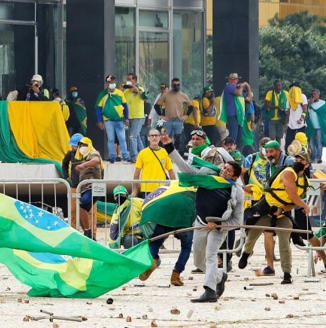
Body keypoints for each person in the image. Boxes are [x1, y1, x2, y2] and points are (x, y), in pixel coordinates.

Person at [157, 135, 244, 302]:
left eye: (228, 171)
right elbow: (186, 168)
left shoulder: (237, 192)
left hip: (218, 227)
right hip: (201, 221)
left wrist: (218, 224)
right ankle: (219, 276)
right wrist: (170, 147)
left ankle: (210, 291)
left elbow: (237, 222)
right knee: (199, 261)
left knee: (211, 255)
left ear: (234, 177)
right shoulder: (208, 175)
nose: (224, 170)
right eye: (224, 167)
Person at [239, 151, 311, 284]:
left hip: (282, 213)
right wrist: (305, 206)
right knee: (252, 233)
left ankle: (287, 273)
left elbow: (294, 202)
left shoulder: (305, 181)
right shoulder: (288, 172)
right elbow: (292, 194)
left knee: (285, 241)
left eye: (301, 161)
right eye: (296, 159)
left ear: (307, 164)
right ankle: (245, 253)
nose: (298, 162)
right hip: (266, 206)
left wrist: (283, 209)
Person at [95, 75, 131, 163]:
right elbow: (98, 108)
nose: (112, 84)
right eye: (110, 82)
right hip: (108, 121)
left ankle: (125, 156)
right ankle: (112, 157)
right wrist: (99, 121)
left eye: (113, 82)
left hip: (119, 120)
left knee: (122, 138)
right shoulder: (102, 94)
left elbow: (125, 106)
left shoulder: (120, 93)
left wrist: (126, 118)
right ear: (106, 83)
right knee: (111, 139)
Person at [132, 128, 175, 198]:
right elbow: (136, 174)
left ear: (160, 137)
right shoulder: (142, 153)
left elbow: (171, 171)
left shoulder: (165, 152)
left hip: (161, 189)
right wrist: (135, 191)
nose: (154, 138)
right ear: (148, 138)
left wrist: (174, 188)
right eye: (152, 136)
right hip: (146, 190)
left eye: (156, 135)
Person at [74, 137, 103, 239]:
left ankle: (88, 232)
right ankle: (88, 233)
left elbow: (96, 160)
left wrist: (83, 165)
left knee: (83, 205)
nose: (82, 147)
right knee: (82, 209)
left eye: (84, 145)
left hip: (94, 187)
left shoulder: (93, 153)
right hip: (87, 188)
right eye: (80, 145)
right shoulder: (83, 157)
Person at [154, 78, 193, 155]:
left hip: (178, 120)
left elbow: (191, 107)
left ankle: (177, 155)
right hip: (168, 120)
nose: (176, 86)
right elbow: (156, 105)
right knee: (166, 138)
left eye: (178, 85)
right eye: (174, 85)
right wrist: (161, 116)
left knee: (179, 138)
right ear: (171, 85)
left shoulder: (183, 95)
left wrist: (186, 116)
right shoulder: (166, 94)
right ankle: (167, 154)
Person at [123, 73, 148, 161]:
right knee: (136, 136)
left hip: (138, 116)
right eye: (128, 79)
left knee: (132, 136)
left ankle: (134, 157)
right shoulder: (125, 91)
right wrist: (125, 117)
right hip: (129, 117)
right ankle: (144, 155)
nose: (129, 81)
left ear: (135, 81)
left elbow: (145, 98)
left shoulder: (140, 89)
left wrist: (136, 90)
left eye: (130, 79)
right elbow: (124, 105)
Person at [62, 133, 84, 228]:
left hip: (86, 186)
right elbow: (64, 164)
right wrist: (66, 175)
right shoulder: (70, 154)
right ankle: (74, 228)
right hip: (74, 186)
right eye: (72, 145)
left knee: (86, 210)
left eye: (74, 145)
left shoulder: (87, 154)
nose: (72, 147)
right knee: (73, 210)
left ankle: (89, 232)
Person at [221, 73, 244, 147]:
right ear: (230, 80)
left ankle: (236, 151)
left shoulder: (234, 88)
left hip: (237, 115)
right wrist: (242, 86)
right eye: (234, 79)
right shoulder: (229, 87)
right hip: (232, 114)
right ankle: (229, 150)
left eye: (236, 79)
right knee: (233, 136)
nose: (236, 81)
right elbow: (239, 93)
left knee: (238, 136)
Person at [285, 82, 308, 151]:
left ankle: (303, 158)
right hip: (291, 125)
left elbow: (305, 109)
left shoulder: (302, 96)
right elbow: (288, 111)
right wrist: (286, 123)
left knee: (301, 143)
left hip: (300, 125)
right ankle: (289, 159)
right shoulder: (289, 98)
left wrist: (301, 119)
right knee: (288, 144)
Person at [307, 89, 324, 163]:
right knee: (311, 143)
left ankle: (319, 158)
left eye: (315, 94)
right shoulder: (309, 102)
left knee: (319, 143)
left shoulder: (323, 103)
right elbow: (305, 112)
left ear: (318, 95)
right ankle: (313, 157)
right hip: (311, 127)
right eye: (312, 94)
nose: (313, 95)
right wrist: (309, 104)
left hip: (320, 127)